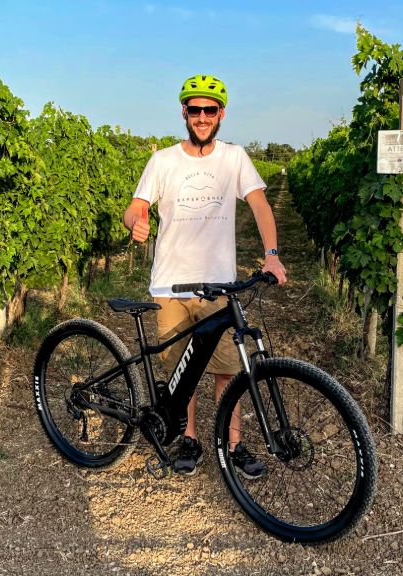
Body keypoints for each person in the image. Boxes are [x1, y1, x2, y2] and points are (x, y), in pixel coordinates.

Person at [122, 74, 287, 478]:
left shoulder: (233, 158)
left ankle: (234, 445)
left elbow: (260, 205)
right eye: (194, 110)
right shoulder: (162, 160)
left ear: (220, 115)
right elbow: (135, 206)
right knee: (182, 373)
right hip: (170, 285)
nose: (201, 117)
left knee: (227, 370)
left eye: (208, 110)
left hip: (217, 284)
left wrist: (272, 255)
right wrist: (135, 220)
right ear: (184, 112)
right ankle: (190, 439)